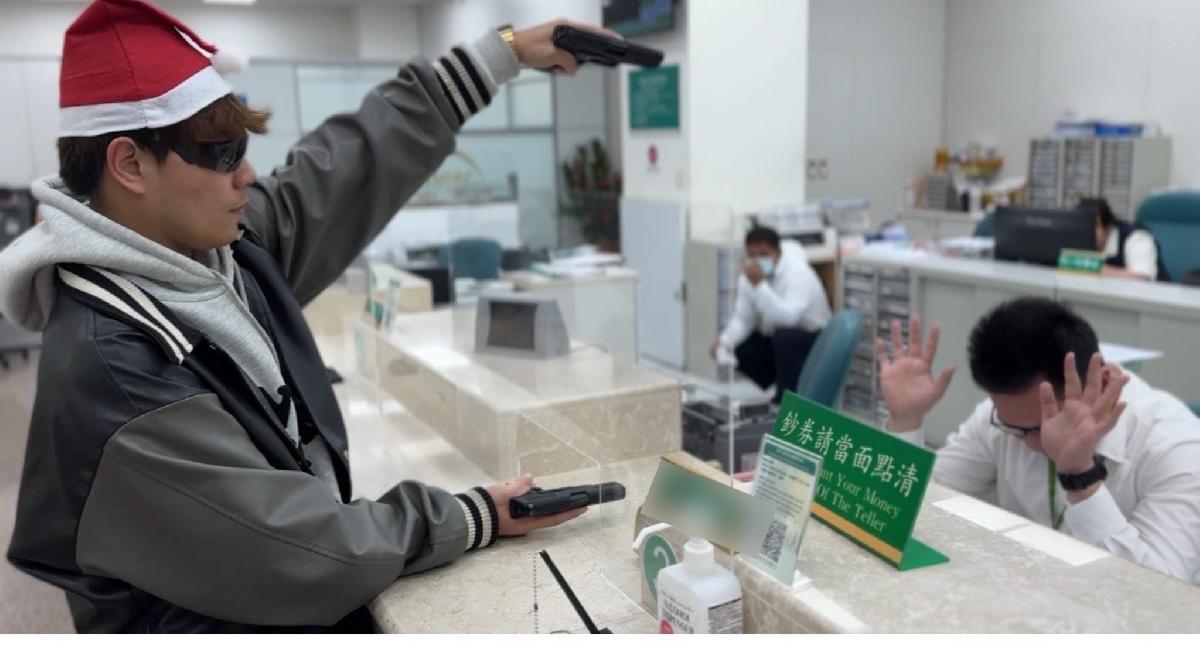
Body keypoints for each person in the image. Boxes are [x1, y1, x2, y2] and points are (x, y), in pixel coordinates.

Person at [0, 0, 614, 633]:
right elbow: (303, 550)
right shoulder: (118, 369)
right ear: (129, 164)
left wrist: (501, 55)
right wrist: (474, 514)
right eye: (221, 152)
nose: (246, 175)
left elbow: (341, 171)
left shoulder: (209, 251)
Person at [877, 297, 1200, 583]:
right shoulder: (1002, 418)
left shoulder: (1175, 446)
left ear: (1103, 382)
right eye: (1017, 430)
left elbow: (1160, 590)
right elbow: (917, 502)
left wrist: (1081, 478)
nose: (1033, 443)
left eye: (1039, 427)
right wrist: (906, 421)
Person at [712, 226, 832, 404]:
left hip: (813, 337)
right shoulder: (750, 276)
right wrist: (725, 341)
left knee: (784, 338)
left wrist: (759, 286)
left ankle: (786, 399)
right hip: (782, 339)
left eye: (763, 254)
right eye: (752, 255)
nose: (757, 261)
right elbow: (743, 318)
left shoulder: (799, 274)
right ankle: (779, 383)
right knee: (743, 346)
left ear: (777, 253)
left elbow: (789, 318)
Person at [1078, 196, 1169, 281]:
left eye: (1092, 227)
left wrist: (1094, 269)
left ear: (1107, 226)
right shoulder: (1080, 240)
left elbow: (1142, 278)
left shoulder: (1137, 238)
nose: (1086, 232)